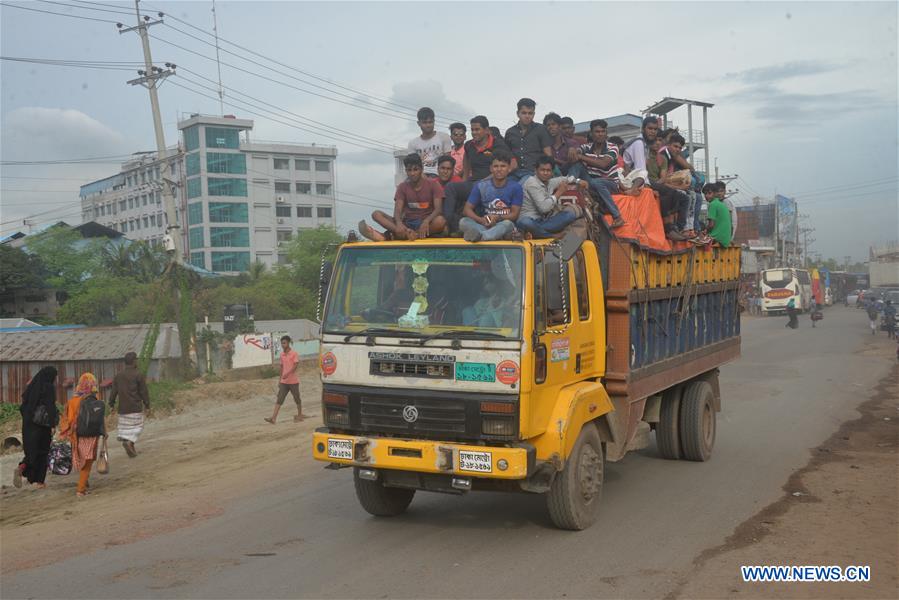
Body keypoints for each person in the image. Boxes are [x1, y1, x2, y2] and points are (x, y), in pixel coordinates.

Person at [442, 115, 510, 233]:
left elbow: (510, 165)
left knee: (477, 191)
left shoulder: (498, 144)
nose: (474, 133)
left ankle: (463, 228)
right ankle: (451, 224)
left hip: (492, 183)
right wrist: (464, 179)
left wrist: (487, 180)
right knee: (451, 187)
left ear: (487, 130)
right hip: (474, 182)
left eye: (477, 129)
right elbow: (466, 160)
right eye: (472, 130)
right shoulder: (469, 145)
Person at [358, 153, 446, 241]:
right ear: (406, 171)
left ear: (421, 169)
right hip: (407, 224)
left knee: (440, 221)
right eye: (409, 170)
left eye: (415, 170)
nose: (412, 173)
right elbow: (397, 210)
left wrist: (426, 221)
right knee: (376, 214)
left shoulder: (433, 184)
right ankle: (405, 234)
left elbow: (438, 210)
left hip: (426, 223)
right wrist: (399, 224)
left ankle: (403, 236)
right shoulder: (402, 187)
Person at [568, 119, 626, 228]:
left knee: (598, 182)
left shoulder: (613, 147)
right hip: (591, 180)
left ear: (606, 133)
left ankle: (617, 216)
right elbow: (576, 154)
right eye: (597, 132)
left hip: (610, 183)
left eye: (603, 131)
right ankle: (570, 183)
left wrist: (580, 156)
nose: (600, 134)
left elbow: (603, 164)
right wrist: (573, 150)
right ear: (591, 133)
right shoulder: (586, 147)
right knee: (577, 165)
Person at [460, 150, 523, 242]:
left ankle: (481, 236)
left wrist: (498, 217)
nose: (499, 169)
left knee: (507, 224)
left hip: (502, 224)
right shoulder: (481, 186)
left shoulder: (516, 187)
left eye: (503, 166)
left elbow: (514, 215)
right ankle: (490, 235)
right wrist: (481, 220)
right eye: (496, 166)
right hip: (484, 224)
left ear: (509, 168)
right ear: (491, 168)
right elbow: (467, 209)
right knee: (463, 222)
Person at [60, 373, 106, 497]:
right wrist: (104, 433)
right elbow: (100, 420)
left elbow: (68, 421)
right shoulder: (95, 400)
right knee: (87, 462)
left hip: (77, 435)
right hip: (91, 435)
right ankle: (81, 490)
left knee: (82, 460)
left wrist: (67, 432)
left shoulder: (72, 401)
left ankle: (85, 483)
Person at [14, 366, 58, 489]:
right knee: (43, 452)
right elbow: (50, 406)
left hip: (28, 425)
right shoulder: (48, 387)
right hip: (42, 425)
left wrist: (29, 419)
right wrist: (52, 425)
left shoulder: (32, 387)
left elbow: (22, 407)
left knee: (31, 451)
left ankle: (22, 468)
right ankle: (40, 481)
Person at [516, 156, 581, 238]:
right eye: (542, 170)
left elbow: (565, 179)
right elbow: (544, 208)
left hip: (543, 222)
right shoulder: (532, 183)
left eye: (548, 170)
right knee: (525, 222)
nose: (545, 173)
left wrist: (578, 181)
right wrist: (559, 192)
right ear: (536, 171)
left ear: (552, 172)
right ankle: (550, 236)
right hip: (530, 220)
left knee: (569, 215)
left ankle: (537, 233)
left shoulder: (550, 182)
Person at [108, 352, 150, 458]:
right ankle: (130, 443)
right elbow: (143, 392)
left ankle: (131, 447)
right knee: (137, 428)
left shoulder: (118, 376)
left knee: (127, 428)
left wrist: (111, 404)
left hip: (123, 408)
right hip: (135, 407)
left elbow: (113, 392)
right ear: (134, 361)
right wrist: (147, 405)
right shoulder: (138, 375)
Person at [504, 98, 553, 181]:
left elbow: (548, 154)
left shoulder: (541, 129)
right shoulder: (510, 132)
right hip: (514, 173)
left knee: (519, 188)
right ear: (518, 114)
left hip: (534, 173)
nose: (527, 116)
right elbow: (506, 153)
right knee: (504, 187)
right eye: (524, 113)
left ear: (533, 114)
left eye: (530, 113)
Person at [266, 336, 306, 424]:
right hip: (284, 382)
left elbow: (295, 365)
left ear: (288, 343)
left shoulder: (294, 353)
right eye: (282, 343)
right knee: (279, 399)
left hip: (293, 382)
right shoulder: (282, 355)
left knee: (297, 398)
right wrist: (279, 380)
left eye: (284, 343)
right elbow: (281, 368)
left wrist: (287, 373)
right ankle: (273, 418)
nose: (283, 345)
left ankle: (299, 415)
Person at [408, 107, 452, 176]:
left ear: (434, 121)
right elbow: (412, 165)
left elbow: (448, 161)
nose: (428, 125)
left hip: (439, 174)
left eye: (430, 122)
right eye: (425, 123)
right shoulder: (413, 143)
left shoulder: (444, 137)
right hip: (419, 176)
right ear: (418, 123)